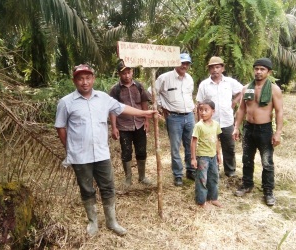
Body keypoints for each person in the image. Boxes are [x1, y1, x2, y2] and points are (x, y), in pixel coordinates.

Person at [55, 64, 156, 237]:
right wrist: (69, 148)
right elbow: (60, 127)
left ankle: (111, 221)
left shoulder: (103, 98)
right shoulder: (66, 102)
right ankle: (93, 221)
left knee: (108, 187)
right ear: (74, 81)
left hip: (101, 153)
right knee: (86, 188)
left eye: (88, 78)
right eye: (80, 78)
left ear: (93, 79)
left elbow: (123, 108)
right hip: (80, 155)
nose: (84, 82)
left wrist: (145, 113)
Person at [232, 58, 283, 206]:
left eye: (262, 69)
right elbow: (241, 109)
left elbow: (279, 111)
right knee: (247, 159)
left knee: (267, 162)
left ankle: (268, 191)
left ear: (268, 72)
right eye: (256, 69)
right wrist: (236, 127)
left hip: (264, 129)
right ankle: (247, 184)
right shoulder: (247, 88)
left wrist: (278, 132)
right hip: (249, 128)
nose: (259, 72)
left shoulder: (274, 89)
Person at [196, 56, 243, 177]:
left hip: (227, 121)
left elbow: (242, 90)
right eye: (212, 67)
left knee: (229, 147)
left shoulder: (230, 82)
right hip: (210, 123)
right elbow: (199, 104)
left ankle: (230, 171)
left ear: (222, 68)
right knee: (210, 147)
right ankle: (213, 171)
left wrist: (234, 102)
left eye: (217, 67)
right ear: (209, 69)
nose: (215, 70)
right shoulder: (204, 85)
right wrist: (199, 123)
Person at [154, 53, 196, 186]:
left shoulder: (189, 79)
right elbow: (152, 92)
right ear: (175, 63)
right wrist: (161, 106)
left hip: (189, 116)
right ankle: (178, 175)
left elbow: (189, 96)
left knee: (190, 145)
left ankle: (190, 170)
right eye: (182, 63)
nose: (184, 66)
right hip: (174, 117)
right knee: (175, 147)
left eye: (187, 63)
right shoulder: (165, 78)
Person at [109, 60, 152, 188]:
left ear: (132, 72)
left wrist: (146, 120)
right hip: (123, 126)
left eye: (129, 72)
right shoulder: (115, 90)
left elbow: (144, 103)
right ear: (119, 74)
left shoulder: (139, 86)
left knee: (141, 150)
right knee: (126, 151)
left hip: (139, 124)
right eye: (124, 73)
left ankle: (142, 176)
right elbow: (112, 109)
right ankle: (128, 178)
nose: (127, 76)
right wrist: (114, 127)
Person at [191, 100, 223, 208]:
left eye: (206, 110)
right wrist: (193, 158)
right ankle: (201, 201)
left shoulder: (216, 125)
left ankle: (213, 198)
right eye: (201, 110)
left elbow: (216, 140)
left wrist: (218, 154)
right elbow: (194, 142)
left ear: (213, 111)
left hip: (213, 156)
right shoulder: (198, 126)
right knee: (202, 179)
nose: (203, 113)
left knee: (213, 177)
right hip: (202, 157)